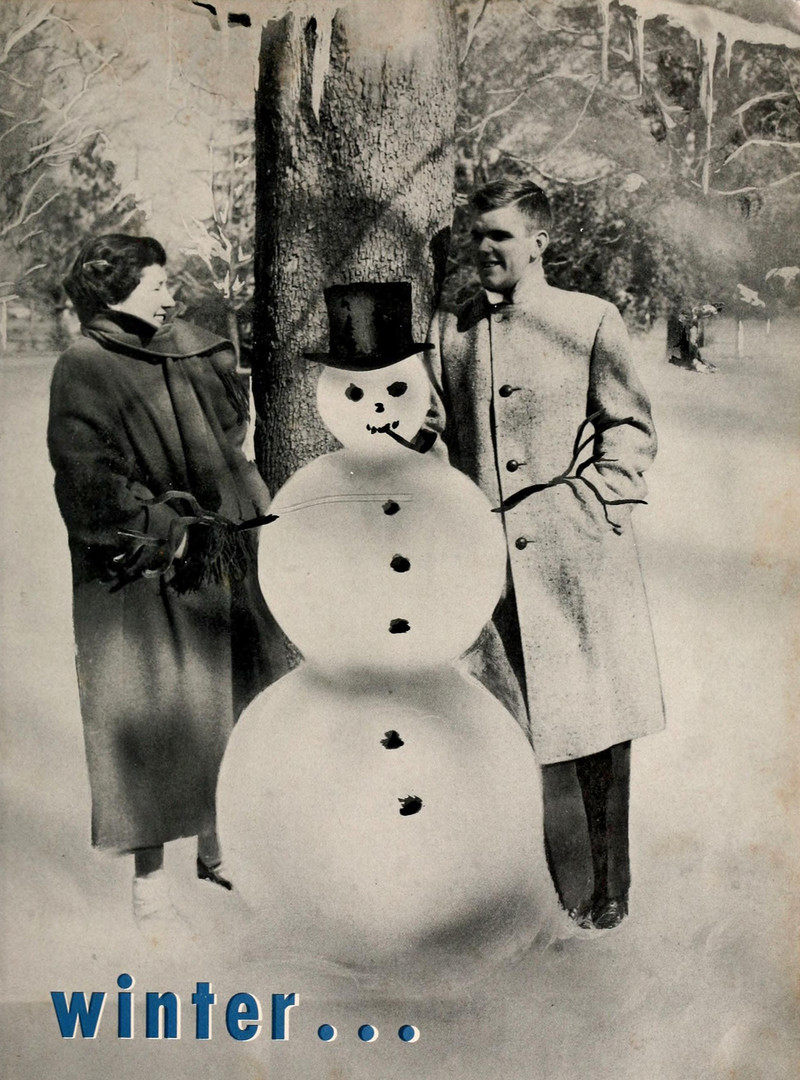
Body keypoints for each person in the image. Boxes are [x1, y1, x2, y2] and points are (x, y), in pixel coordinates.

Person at [427, 179, 665, 930]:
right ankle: (554, 899)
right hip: (487, 568)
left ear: (539, 242)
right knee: (518, 734)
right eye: (476, 235)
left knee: (598, 730)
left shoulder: (588, 319)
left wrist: (593, 501)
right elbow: (433, 432)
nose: (484, 248)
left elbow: (628, 428)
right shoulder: (449, 330)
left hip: (575, 560)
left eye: (500, 235)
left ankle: (609, 892)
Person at [47, 234, 287, 928]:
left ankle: (221, 852)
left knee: (234, 696)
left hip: (223, 553)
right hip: (146, 566)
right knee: (148, 713)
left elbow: (231, 435)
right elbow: (85, 477)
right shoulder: (85, 364)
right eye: (154, 283)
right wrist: (165, 529)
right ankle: (149, 885)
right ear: (114, 289)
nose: (168, 294)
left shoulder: (192, 347)